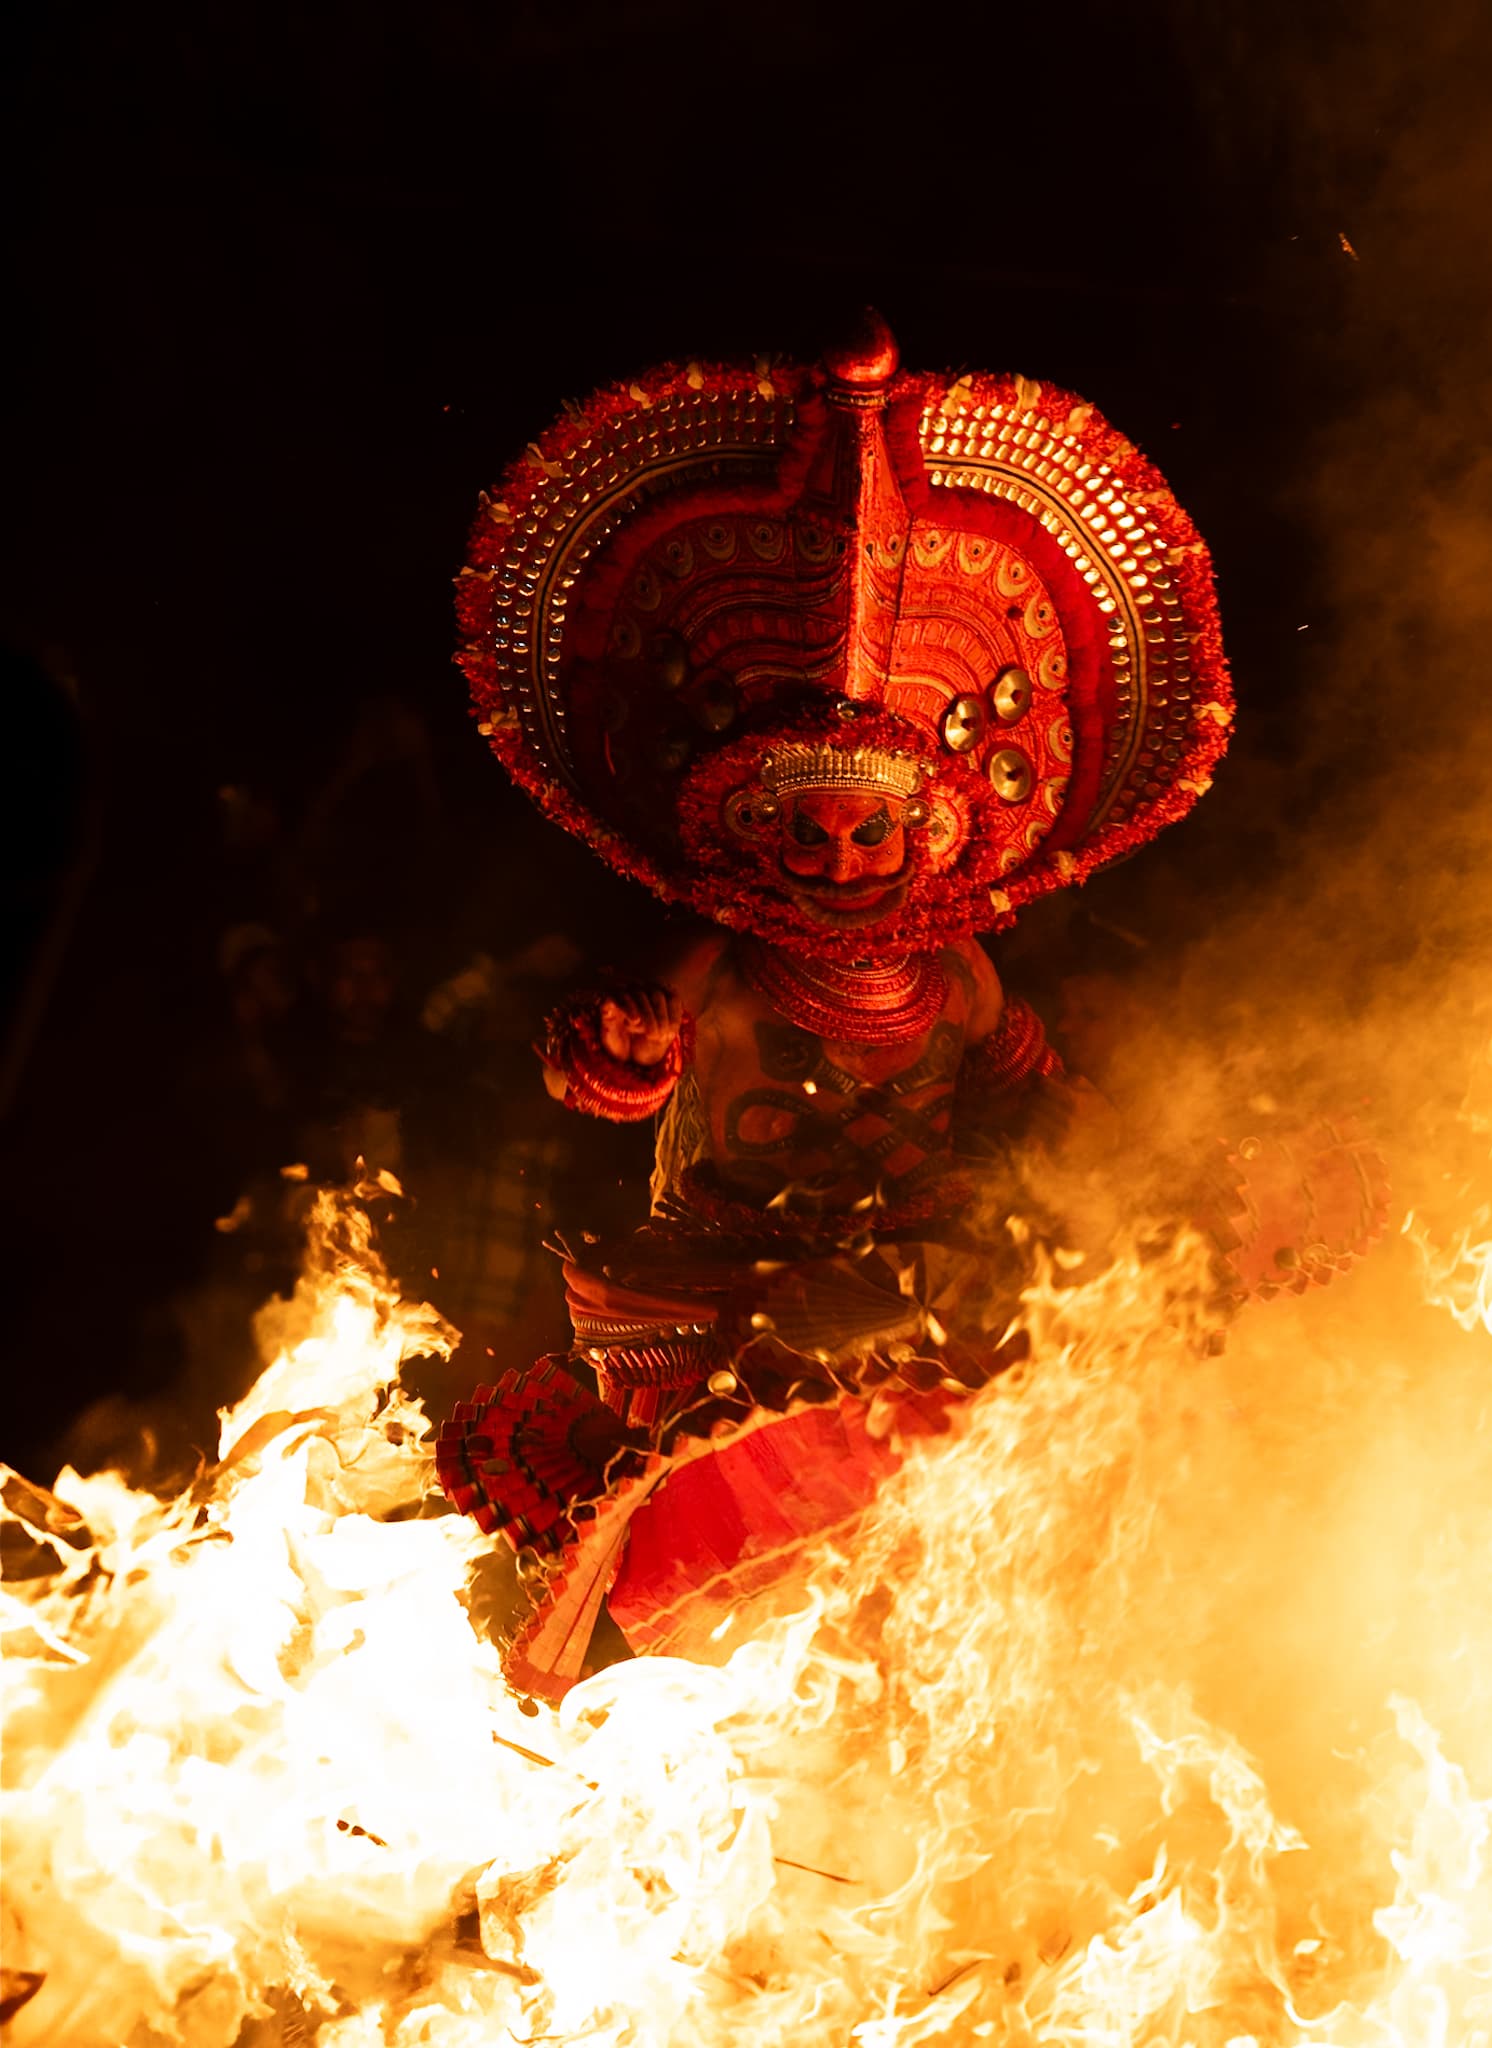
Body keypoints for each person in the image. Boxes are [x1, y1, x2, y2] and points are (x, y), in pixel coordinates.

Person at [436, 315, 1379, 1697]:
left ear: (920, 841)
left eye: (863, 839)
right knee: (750, 1522)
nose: (835, 863)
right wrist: (628, 1052)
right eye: (806, 839)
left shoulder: (958, 967)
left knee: (1018, 1427)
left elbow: (1019, 1091)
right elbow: (620, 1069)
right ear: (753, 839)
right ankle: (731, 1713)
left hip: (923, 1287)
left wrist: (1147, 1165)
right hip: (737, 1286)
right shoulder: (720, 955)